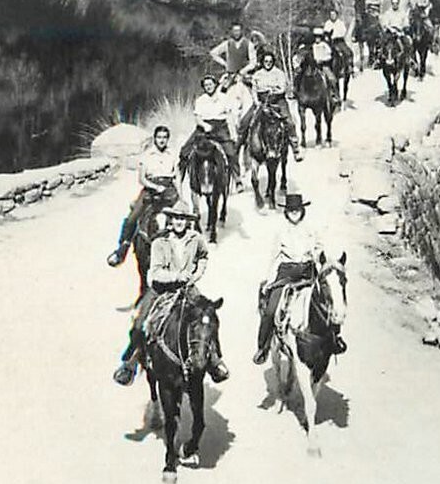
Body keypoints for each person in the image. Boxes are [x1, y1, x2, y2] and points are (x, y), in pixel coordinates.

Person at [113, 203, 227, 384]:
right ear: (171, 220)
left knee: (207, 317)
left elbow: (203, 256)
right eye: (176, 218)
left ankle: (214, 359)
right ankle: (131, 361)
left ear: (188, 221)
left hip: (187, 288)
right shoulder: (160, 242)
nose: (179, 222)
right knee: (141, 322)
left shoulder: (195, 239)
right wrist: (177, 276)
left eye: (183, 218)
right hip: (161, 289)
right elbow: (156, 271)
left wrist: (196, 274)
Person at [253, 193, 345, 364]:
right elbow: (273, 256)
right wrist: (268, 278)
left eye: (297, 209)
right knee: (271, 310)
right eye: (291, 210)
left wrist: (323, 262)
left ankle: (335, 339)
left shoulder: (311, 229)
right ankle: (263, 346)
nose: (294, 213)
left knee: (329, 299)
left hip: (308, 271)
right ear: (286, 212)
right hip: (287, 273)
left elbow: (319, 250)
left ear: (302, 210)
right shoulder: (281, 231)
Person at [107, 124, 178, 268]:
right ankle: (122, 249)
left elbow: (177, 176)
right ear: (154, 138)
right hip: (151, 187)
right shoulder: (147, 155)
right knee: (133, 216)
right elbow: (142, 179)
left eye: (165, 137)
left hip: (169, 187)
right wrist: (155, 187)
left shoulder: (173, 154)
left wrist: (180, 196)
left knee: (182, 215)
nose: (162, 140)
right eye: (159, 137)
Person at [237, 49, 304, 161]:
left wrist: (273, 91)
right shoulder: (258, 74)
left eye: (270, 61)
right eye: (266, 61)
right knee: (246, 121)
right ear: (262, 62)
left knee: (289, 122)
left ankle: (295, 148)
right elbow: (254, 89)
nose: (268, 63)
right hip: (262, 101)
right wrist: (256, 101)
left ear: (273, 62)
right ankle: (239, 147)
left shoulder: (279, 73)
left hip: (278, 100)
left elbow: (282, 88)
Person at [182, 72, 241, 184]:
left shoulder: (224, 98)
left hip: (220, 127)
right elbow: (197, 118)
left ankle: (237, 179)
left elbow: (229, 116)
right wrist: (204, 125)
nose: (208, 87)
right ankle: (180, 177)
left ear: (215, 84)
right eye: (206, 85)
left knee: (231, 152)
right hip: (204, 126)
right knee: (185, 150)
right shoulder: (200, 100)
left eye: (210, 84)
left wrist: (233, 132)